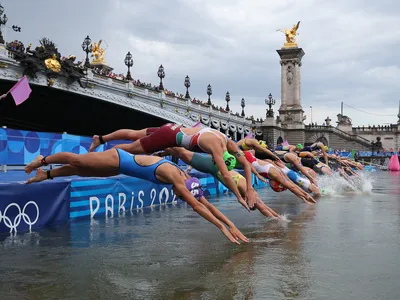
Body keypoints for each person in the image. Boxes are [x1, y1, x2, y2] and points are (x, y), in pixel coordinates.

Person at [24, 149, 249, 244]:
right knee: (79, 161)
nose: (183, 200)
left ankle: (47, 174)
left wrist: (230, 225)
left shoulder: (186, 179)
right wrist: (222, 228)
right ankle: (43, 160)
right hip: (120, 159)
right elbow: (200, 208)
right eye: (183, 198)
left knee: (83, 170)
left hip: (122, 167)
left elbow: (205, 203)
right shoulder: (180, 183)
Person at [88, 123, 260, 209]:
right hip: (168, 137)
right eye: (217, 161)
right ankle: (107, 155)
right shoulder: (216, 147)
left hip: (172, 127)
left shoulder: (227, 141)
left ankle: (101, 139)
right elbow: (227, 175)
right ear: (220, 157)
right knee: (132, 149)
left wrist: (250, 188)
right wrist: (239, 197)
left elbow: (245, 162)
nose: (214, 161)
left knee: (134, 134)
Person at [160, 147, 281, 218]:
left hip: (215, 167)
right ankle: (162, 151)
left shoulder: (247, 191)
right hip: (214, 168)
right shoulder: (247, 192)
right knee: (183, 153)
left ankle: (162, 152)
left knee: (183, 153)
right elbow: (263, 208)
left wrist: (277, 216)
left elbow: (264, 207)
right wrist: (277, 220)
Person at [239, 150, 317, 204]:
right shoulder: (273, 168)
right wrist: (304, 196)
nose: (271, 186)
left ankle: (317, 193)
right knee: (296, 185)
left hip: (289, 174)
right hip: (287, 173)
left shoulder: (274, 172)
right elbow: (291, 186)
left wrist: (304, 196)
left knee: (301, 186)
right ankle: (316, 194)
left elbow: (292, 187)